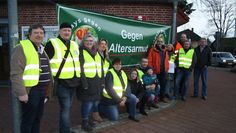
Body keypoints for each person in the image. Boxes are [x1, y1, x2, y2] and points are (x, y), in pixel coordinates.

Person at [10, 24, 53, 133]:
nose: (39, 35)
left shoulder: (41, 49)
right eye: (36, 33)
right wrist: (21, 93)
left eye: (41, 33)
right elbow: (16, 73)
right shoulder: (21, 48)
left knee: (37, 120)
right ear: (29, 35)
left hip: (41, 91)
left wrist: (47, 92)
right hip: (30, 91)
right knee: (28, 121)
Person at [45, 22, 81, 133]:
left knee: (67, 108)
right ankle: (65, 130)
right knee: (65, 109)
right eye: (64, 30)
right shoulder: (52, 43)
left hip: (74, 82)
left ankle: (64, 129)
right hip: (61, 83)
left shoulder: (74, 44)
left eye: (69, 31)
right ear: (60, 31)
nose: (67, 32)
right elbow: (45, 62)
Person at [99, 58, 139, 122]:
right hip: (111, 99)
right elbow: (109, 89)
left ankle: (132, 115)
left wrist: (125, 96)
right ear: (113, 65)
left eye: (119, 64)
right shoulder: (110, 73)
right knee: (114, 118)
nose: (118, 66)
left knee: (133, 98)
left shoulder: (123, 72)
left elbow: (127, 85)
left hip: (122, 96)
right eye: (116, 64)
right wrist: (119, 100)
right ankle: (101, 107)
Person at [76, 34, 103, 131]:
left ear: (94, 42)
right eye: (87, 40)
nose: (89, 42)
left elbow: (101, 67)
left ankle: (88, 120)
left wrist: (102, 81)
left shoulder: (97, 52)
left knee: (93, 103)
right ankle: (84, 122)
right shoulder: (81, 52)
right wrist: (84, 84)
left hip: (97, 82)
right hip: (87, 82)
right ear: (83, 41)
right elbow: (80, 69)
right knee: (87, 104)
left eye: (91, 41)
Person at [91, 38, 110, 122]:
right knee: (95, 98)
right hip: (96, 80)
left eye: (105, 44)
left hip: (103, 80)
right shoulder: (95, 54)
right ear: (98, 45)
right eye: (101, 44)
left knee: (99, 98)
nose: (103, 45)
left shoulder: (105, 55)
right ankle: (95, 114)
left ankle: (97, 112)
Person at [148, 37, 169, 103]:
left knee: (163, 85)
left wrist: (167, 68)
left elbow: (167, 59)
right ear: (156, 42)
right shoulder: (153, 49)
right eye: (158, 41)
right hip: (155, 71)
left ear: (163, 42)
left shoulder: (165, 49)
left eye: (161, 41)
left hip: (163, 71)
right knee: (156, 86)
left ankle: (162, 97)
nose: (160, 43)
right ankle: (155, 100)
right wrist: (151, 69)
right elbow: (149, 60)